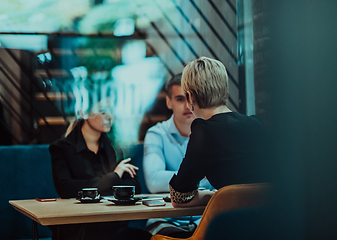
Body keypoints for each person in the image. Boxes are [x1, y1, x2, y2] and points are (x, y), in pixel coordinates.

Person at [169, 57, 268, 208]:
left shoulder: (205, 131)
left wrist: (214, 196)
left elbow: (179, 198)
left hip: (233, 227)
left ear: (190, 96)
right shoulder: (257, 124)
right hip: (273, 225)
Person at [49, 98, 151, 240]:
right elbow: (66, 188)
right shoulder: (61, 148)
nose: (110, 116)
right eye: (103, 111)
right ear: (84, 113)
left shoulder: (118, 145)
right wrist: (114, 176)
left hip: (112, 226)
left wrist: (91, 187)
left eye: (111, 110)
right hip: (78, 231)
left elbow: (135, 187)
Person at [143, 74, 212, 238]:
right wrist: (201, 176)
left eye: (191, 98)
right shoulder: (156, 134)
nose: (187, 105)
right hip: (166, 220)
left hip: (205, 217)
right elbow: (153, 180)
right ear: (168, 102)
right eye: (180, 99)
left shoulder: (211, 133)